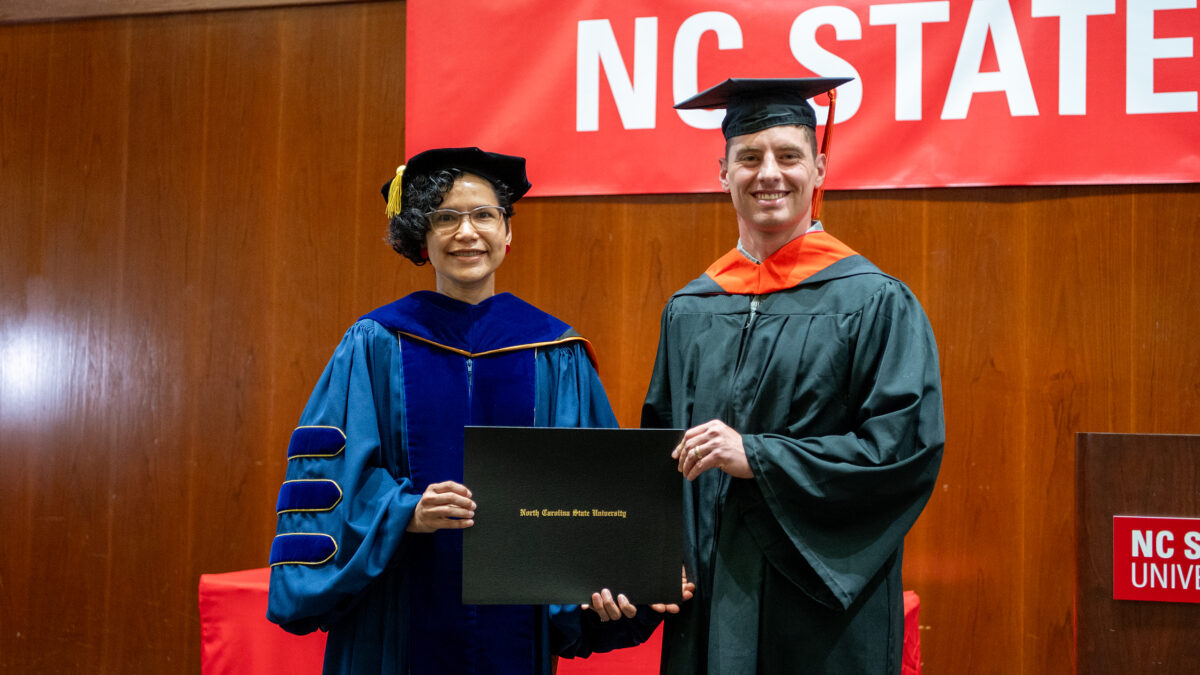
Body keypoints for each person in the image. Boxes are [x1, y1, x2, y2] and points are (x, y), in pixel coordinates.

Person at [266, 147, 665, 674]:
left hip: (515, 619)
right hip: (397, 611)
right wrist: (405, 511)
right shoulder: (375, 343)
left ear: (507, 231)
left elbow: (594, 482)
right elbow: (331, 476)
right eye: (446, 218)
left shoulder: (554, 350)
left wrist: (625, 571)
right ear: (422, 238)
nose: (466, 232)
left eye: (483, 215)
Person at [641, 79, 945, 674]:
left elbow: (904, 449)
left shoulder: (875, 301)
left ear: (820, 168)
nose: (768, 174)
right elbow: (659, 447)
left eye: (789, 155)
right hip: (707, 595)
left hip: (818, 605)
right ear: (722, 172)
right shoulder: (691, 309)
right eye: (749, 158)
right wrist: (654, 553)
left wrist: (757, 455)